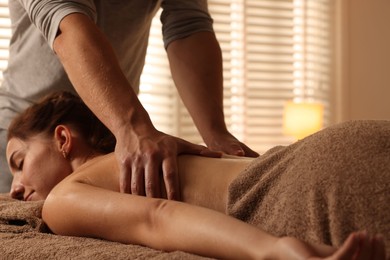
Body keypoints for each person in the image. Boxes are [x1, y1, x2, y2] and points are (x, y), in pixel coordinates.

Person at [5, 91, 389, 259]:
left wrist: (274, 250)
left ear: (62, 138)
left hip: (310, 186)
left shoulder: (64, 199)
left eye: (19, 162)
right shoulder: (160, 152)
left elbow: (157, 217)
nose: (15, 191)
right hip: (341, 144)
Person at [0, 1, 258, 194]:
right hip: (30, 136)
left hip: (106, 131)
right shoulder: (26, 175)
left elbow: (188, 25)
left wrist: (216, 134)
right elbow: (67, 24)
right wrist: (131, 127)